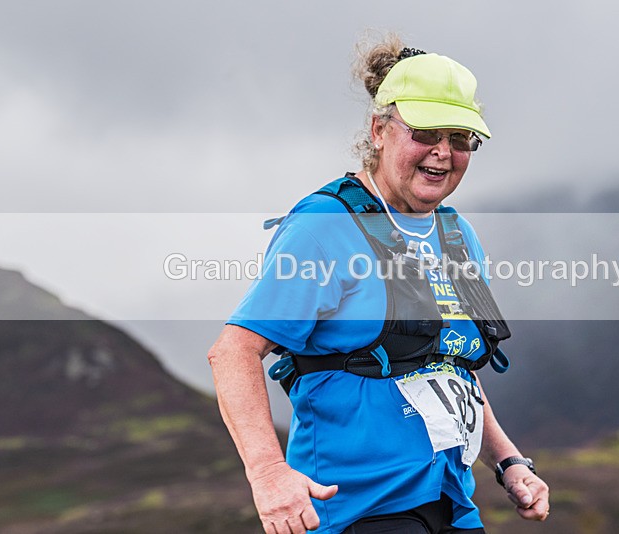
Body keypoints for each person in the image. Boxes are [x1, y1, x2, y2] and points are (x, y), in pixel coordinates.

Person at [208, 35, 550, 534]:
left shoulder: (457, 235)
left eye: (460, 138)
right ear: (379, 130)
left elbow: (448, 362)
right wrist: (267, 472)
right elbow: (232, 352)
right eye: (426, 132)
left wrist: (509, 461)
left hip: (450, 503)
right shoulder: (324, 228)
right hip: (356, 512)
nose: (442, 152)